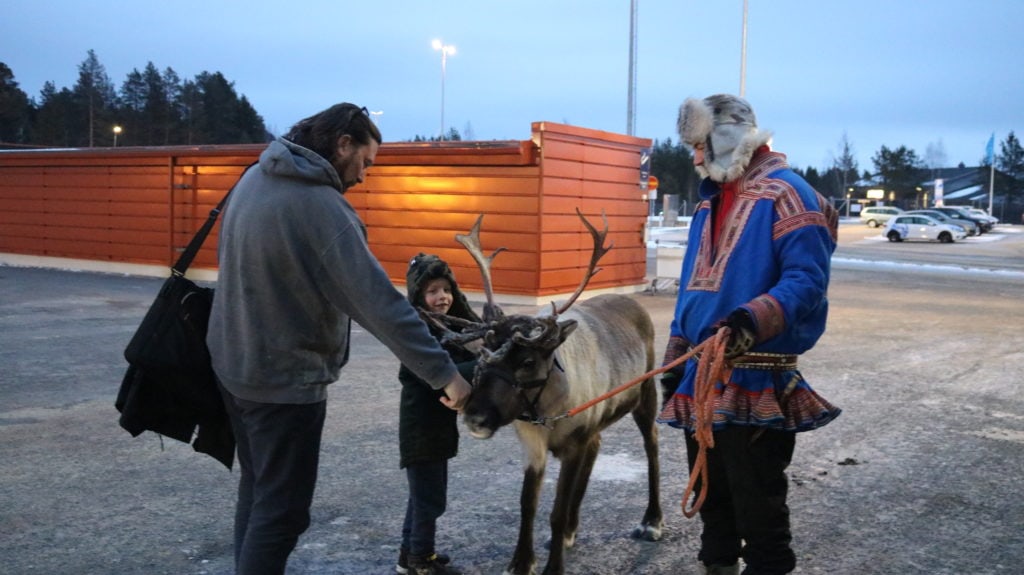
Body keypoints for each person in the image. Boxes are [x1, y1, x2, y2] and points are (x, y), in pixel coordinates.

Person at [206, 103, 472, 575]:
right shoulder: (321, 208)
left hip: (234, 368)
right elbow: (380, 305)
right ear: (342, 144)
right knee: (283, 512)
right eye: (366, 162)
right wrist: (446, 375)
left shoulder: (254, 179)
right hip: (283, 382)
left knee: (260, 490)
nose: (365, 176)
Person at [657, 94, 842, 575]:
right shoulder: (709, 204)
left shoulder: (790, 194)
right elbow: (691, 290)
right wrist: (677, 356)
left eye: (699, 145)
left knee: (759, 510)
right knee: (711, 500)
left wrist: (748, 320)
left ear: (727, 139)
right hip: (701, 377)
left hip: (756, 378)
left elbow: (806, 281)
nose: (695, 158)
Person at [396, 254, 480, 575]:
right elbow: (441, 374)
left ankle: (408, 556)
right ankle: (422, 560)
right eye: (432, 291)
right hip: (422, 430)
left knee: (421, 496)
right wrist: (482, 365)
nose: (441, 297)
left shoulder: (443, 326)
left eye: (445, 289)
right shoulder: (419, 336)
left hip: (435, 428)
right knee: (430, 499)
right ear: (419, 296)